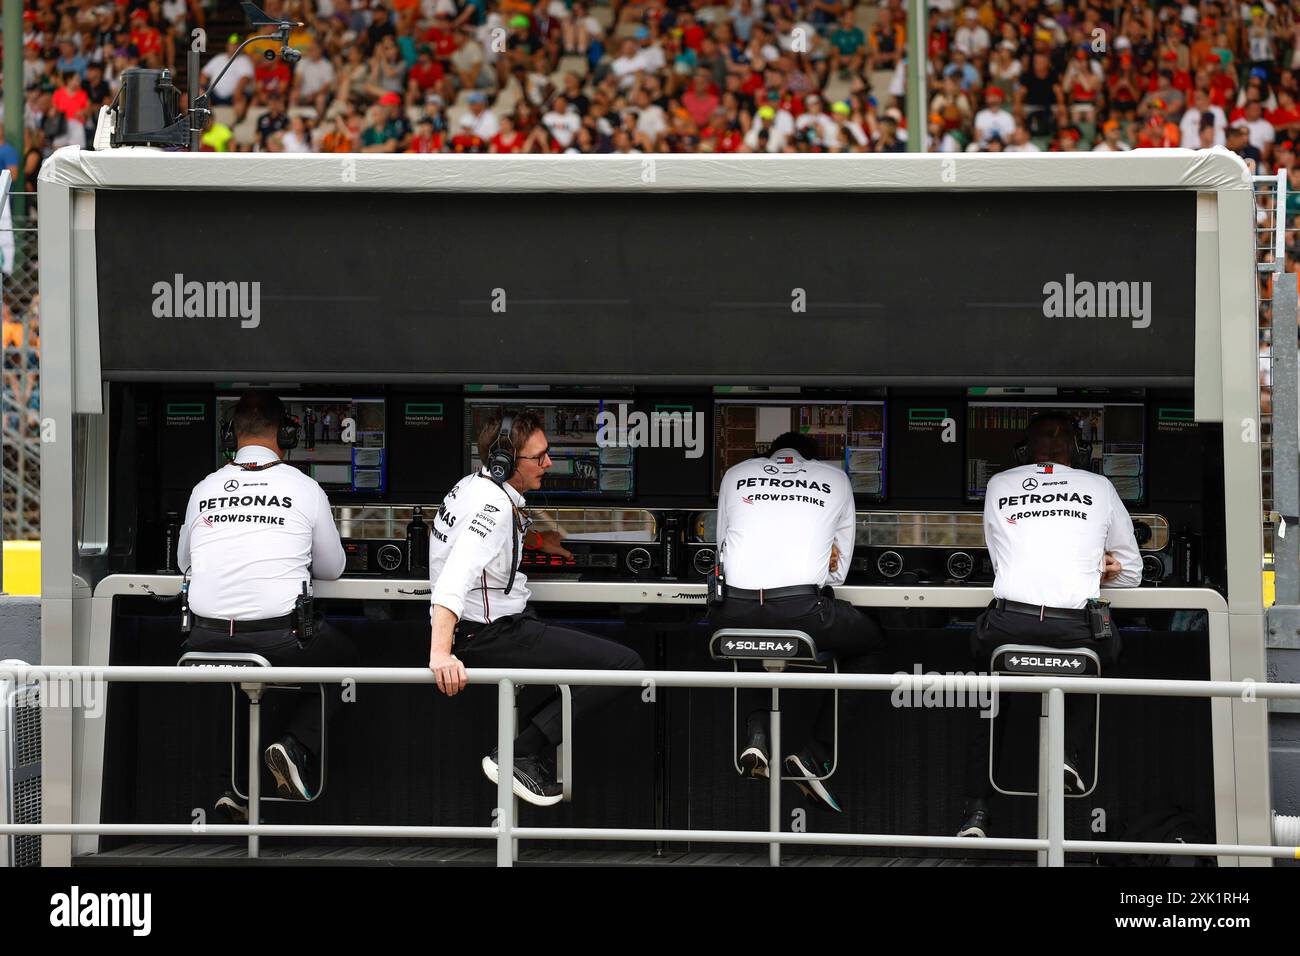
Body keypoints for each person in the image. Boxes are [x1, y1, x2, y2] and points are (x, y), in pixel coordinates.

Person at [427, 411, 644, 806]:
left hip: (494, 625)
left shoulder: (472, 487)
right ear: (505, 463)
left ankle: (522, 753)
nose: (548, 463)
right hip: (491, 632)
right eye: (539, 457)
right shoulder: (493, 510)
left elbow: (481, 540)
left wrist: (542, 542)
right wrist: (440, 653)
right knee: (624, 666)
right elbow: (454, 579)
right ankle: (519, 754)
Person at [956, 412, 1141, 838]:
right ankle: (1067, 752)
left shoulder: (1000, 484)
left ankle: (977, 811)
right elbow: (1131, 574)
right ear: (1079, 451)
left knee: (990, 693)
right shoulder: (1100, 487)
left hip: (1006, 629)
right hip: (1075, 633)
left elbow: (1002, 560)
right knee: (1103, 652)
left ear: (1023, 450)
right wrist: (1098, 566)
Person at [178, 391, 355, 821]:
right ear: (287, 433)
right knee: (348, 662)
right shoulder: (305, 488)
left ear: (230, 435)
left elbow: (184, 563)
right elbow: (332, 569)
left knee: (245, 686)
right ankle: (295, 745)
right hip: (277, 640)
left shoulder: (204, 488)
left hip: (201, 641)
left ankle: (235, 790)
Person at [706, 431, 886, 813]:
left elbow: (723, 551)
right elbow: (837, 577)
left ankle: (756, 733)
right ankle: (816, 754)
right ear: (815, 460)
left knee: (757, 631)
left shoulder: (736, 473)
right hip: (801, 610)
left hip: (729, 613)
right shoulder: (836, 479)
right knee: (871, 643)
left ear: (769, 456)